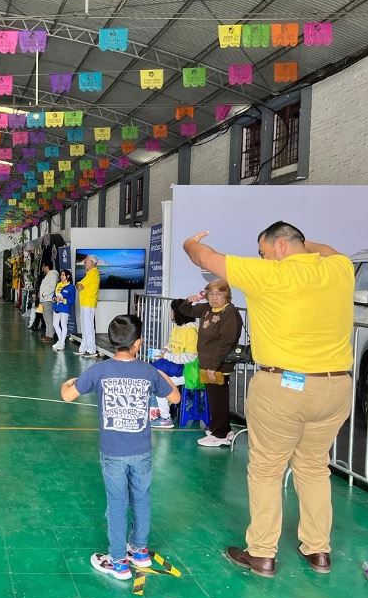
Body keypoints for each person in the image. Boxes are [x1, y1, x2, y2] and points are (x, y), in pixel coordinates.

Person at [184, 222, 353, 578]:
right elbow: (329, 250)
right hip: (336, 387)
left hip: (283, 387)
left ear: (278, 247)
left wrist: (189, 243)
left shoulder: (268, 274)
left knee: (266, 469)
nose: (261, 257)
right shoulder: (338, 270)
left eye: (263, 251)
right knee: (313, 467)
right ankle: (318, 549)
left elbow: (204, 256)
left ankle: (261, 553)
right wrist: (304, 247)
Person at [60, 315, 180, 580]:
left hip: (113, 452)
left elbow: (67, 396)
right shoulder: (148, 372)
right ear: (139, 343)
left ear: (112, 341)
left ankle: (118, 561)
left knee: (116, 502)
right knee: (141, 498)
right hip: (142, 451)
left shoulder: (99, 371)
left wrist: (67, 382)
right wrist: (160, 375)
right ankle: (140, 551)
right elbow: (174, 396)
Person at [176, 279, 243, 446]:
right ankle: (224, 430)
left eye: (219, 294)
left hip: (218, 364)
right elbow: (185, 310)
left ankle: (219, 435)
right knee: (214, 398)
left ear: (227, 295)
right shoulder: (207, 308)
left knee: (218, 399)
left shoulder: (229, 312)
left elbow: (226, 341)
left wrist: (213, 366)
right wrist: (191, 300)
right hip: (207, 363)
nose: (214, 298)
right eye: (211, 294)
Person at [149, 299, 199, 429]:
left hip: (186, 371)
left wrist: (167, 356)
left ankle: (165, 418)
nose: (171, 313)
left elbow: (190, 357)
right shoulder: (178, 327)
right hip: (175, 367)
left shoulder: (191, 332)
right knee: (155, 378)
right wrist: (166, 350)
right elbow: (172, 345)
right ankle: (160, 413)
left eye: (172, 310)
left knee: (159, 382)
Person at [75, 256, 100, 357]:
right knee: (85, 327)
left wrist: (79, 285)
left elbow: (80, 285)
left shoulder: (93, 273)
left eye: (87, 261)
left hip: (88, 303)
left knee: (88, 327)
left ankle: (91, 350)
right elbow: (78, 285)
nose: (84, 262)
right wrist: (79, 285)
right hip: (85, 303)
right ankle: (84, 348)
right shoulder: (89, 273)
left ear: (93, 263)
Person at [52, 269, 76, 352]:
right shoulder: (58, 285)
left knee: (63, 324)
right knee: (55, 324)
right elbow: (54, 296)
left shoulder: (71, 287)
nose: (61, 276)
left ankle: (61, 343)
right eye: (61, 275)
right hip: (56, 307)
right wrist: (55, 298)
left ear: (68, 276)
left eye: (63, 275)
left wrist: (63, 300)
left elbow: (72, 300)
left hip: (65, 308)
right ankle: (60, 341)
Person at [38, 263, 59, 344]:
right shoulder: (48, 275)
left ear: (47, 266)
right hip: (44, 299)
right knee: (46, 318)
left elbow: (52, 287)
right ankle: (47, 334)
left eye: (43, 266)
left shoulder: (53, 275)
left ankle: (51, 335)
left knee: (49, 318)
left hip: (48, 299)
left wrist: (44, 294)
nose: (42, 268)